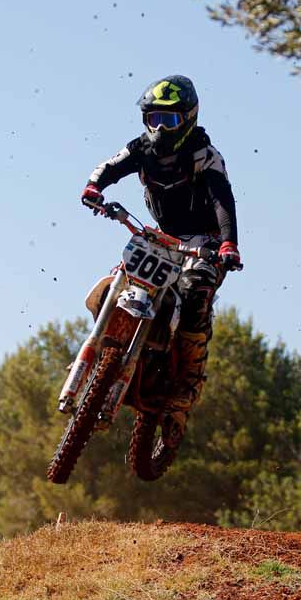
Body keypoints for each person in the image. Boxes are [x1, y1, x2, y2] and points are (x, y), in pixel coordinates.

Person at [80, 74, 240, 449]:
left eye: (167, 120)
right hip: (160, 237)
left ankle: (187, 380)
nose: (158, 128)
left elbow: (223, 202)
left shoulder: (205, 156)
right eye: (152, 118)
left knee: (195, 293)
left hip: (204, 243)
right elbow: (109, 167)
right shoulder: (141, 149)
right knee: (121, 278)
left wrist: (228, 243)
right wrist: (93, 188)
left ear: (187, 120)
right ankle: (102, 349)